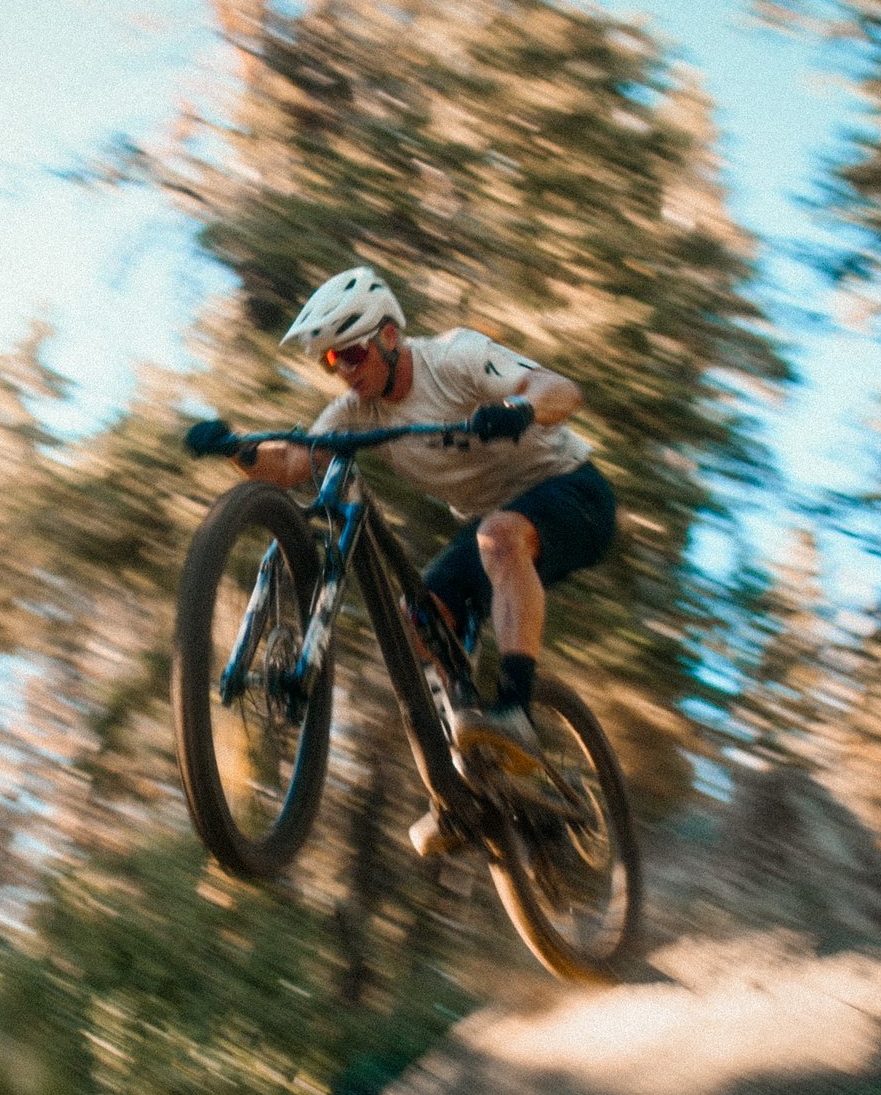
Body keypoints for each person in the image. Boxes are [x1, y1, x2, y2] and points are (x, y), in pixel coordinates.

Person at [237, 266, 617, 840]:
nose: (344, 373)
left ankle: (516, 712)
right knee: (417, 622)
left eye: (352, 354)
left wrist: (520, 409)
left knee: (500, 537)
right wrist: (233, 449)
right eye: (331, 363)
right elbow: (294, 464)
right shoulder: (356, 413)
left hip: (572, 490)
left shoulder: (455, 357)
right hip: (491, 523)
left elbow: (562, 390)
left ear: (389, 336)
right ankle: (472, 779)